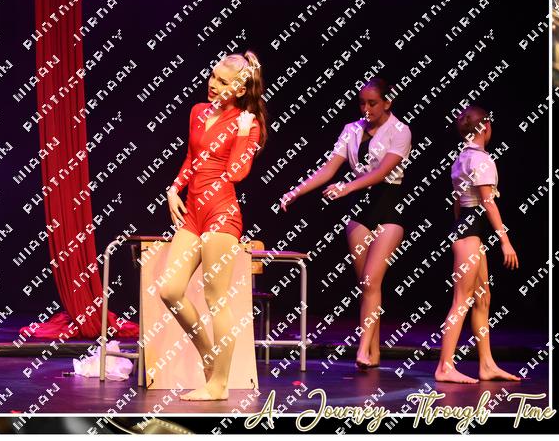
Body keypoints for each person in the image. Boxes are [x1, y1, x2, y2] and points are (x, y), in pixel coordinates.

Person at [281, 77, 411, 368]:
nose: (366, 108)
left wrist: (347, 187)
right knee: (366, 285)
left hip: (388, 207)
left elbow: (382, 172)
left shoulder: (400, 130)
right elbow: (329, 169)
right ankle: (373, 353)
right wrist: (296, 191)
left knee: (372, 280)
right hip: (360, 209)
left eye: (372, 103)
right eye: (362, 103)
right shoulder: (351, 129)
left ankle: (362, 350)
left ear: (387, 103)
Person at [159, 51, 266, 401]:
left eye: (223, 81)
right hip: (193, 211)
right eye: (213, 76)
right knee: (170, 290)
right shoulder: (197, 112)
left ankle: (219, 383)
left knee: (215, 298)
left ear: (239, 89)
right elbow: (192, 158)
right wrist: (174, 188)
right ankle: (208, 355)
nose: (213, 84)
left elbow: (236, 173)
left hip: (221, 213)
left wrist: (244, 134)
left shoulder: (247, 122)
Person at [434, 105, 520, 383]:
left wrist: (460, 233)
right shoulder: (481, 160)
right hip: (470, 232)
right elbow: (487, 202)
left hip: (468, 232)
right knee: (462, 300)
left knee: (482, 299)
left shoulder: (462, 158)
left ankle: (487, 364)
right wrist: (505, 241)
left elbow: (457, 202)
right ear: (485, 127)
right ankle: (444, 366)